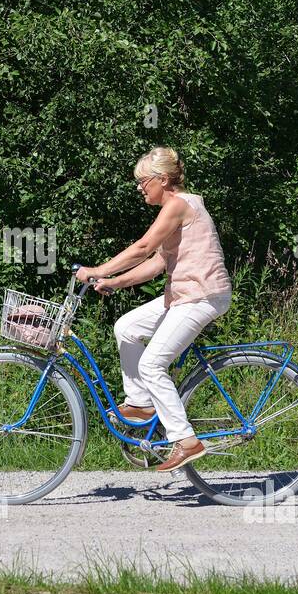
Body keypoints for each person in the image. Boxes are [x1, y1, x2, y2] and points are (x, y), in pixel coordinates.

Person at [75, 146, 233, 472]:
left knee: (151, 365)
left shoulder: (178, 205)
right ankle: (142, 404)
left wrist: (97, 270)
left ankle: (185, 440)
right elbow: (157, 262)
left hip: (201, 297)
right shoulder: (173, 210)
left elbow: (143, 247)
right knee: (126, 327)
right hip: (183, 296)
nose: (139, 187)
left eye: (143, 181)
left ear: (162, 179)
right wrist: (115, 282)